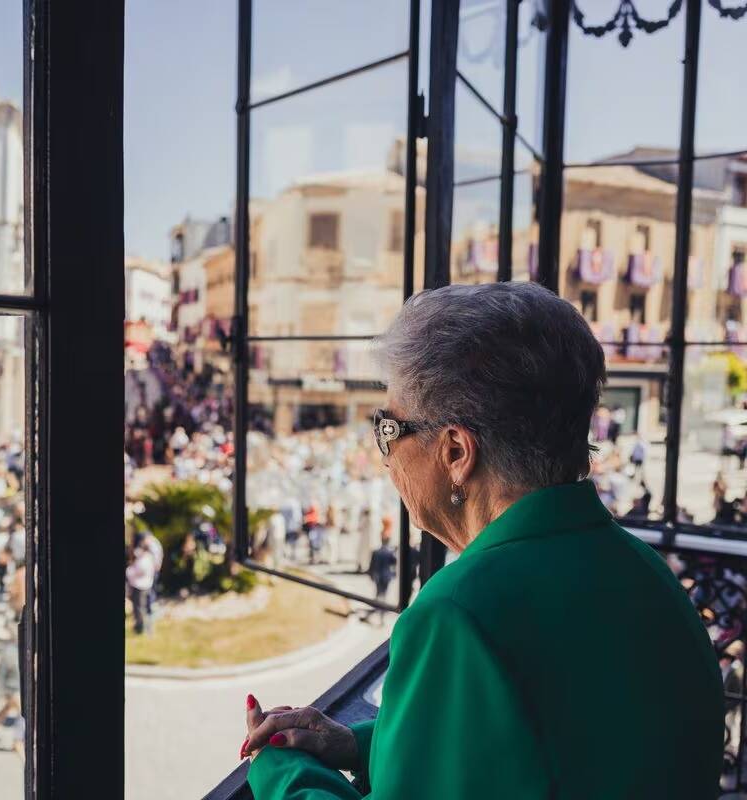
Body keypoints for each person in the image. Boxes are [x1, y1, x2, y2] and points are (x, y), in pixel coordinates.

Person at [239, 282, 724, 798]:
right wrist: (362, 743)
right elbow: (560, 743)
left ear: (455, 453)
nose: (385, 457)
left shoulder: (459, 612)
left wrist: (280, 770)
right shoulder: (645, 572)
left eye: (388, 430)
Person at [363, 518, 397, 624]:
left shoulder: (376, 552)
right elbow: (394, 563)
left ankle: (378, 612)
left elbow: (372, 566)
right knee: (384, 595)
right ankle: (381, 615)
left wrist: (371, 575)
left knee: (378, 594)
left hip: (378, 576)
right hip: (386, 576)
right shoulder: (390, 552)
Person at [126, 534, 155, 635]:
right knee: (142, 608)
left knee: (139, 609)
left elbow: (137, 571)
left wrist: (128, 570)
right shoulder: (147, 557)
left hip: (140, 586)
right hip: (145, 585)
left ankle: (140, 628)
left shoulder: (144, 560)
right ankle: (143, 627)